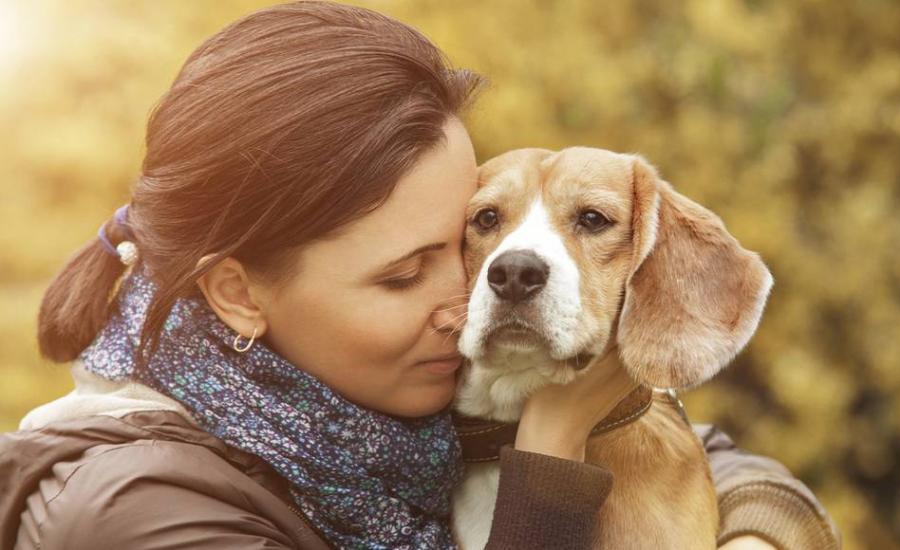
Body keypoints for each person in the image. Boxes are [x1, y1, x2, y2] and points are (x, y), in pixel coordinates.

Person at [0, 2, 840, 549]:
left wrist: (758, 534)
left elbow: (717, 462)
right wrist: (548, 452)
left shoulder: (379, 398)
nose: (461, 302)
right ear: (239, 294)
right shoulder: (137, 515)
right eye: (404, 276)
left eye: (461, 246)